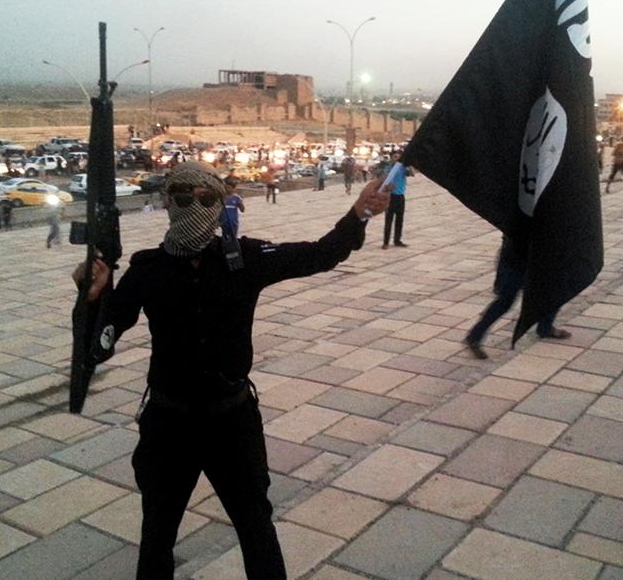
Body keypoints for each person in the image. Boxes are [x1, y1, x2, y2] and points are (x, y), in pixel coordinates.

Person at [72, 162, 390, 580]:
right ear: (168, 202)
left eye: (206, 198)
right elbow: (98, 347)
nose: (194, 205)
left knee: (256, 529)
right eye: (183, 197)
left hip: (232, 420)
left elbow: (319, 254)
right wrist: (90, 300)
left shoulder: (244, 259)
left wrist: (359, 214)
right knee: (157, 537)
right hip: (169, 425)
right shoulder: (147, 272)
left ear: (220, 204)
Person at [464, 235, 571, 359]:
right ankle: (475, 336)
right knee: (505, 302)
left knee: (552, 291)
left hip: (525, 258)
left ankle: (545, 327)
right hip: (520, 260)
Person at [381, 151, 411, 249]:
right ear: (391, 158)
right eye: (395, 157)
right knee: (388, 220)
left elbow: (411, 173)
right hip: (390, 197)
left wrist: (408, 164)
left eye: (398, 157)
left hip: (400, 197)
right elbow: (383, 181)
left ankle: (397, 240)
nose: (397, 159)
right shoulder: (388, 169)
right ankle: (386, 242)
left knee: (399, 219)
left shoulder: (402, 168)